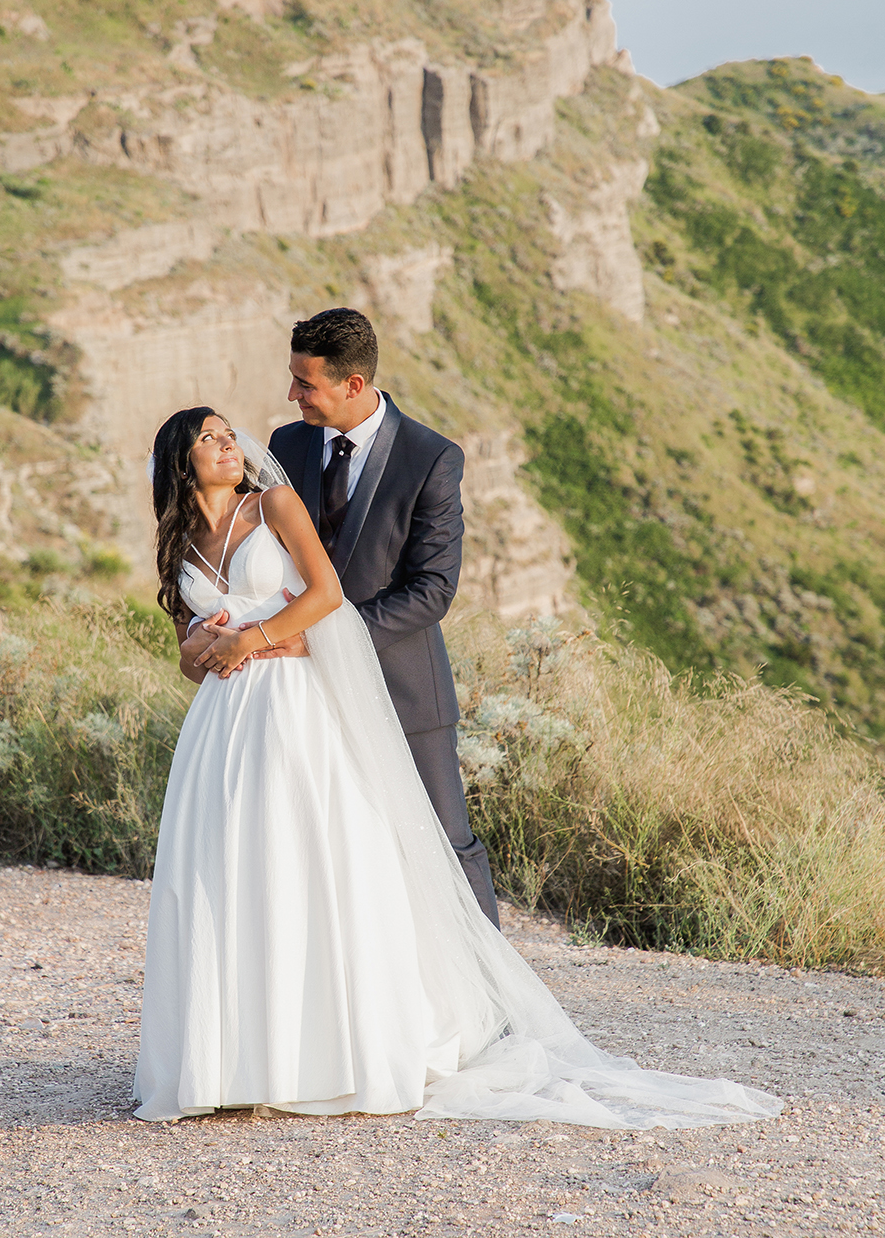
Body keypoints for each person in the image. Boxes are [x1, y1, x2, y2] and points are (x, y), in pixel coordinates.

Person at [132, 405, 782, 1128]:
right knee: (232, 876)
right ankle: (238, 1056)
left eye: (228, 433)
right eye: (210, 439)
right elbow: (190, 658)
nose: (230, 444)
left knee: (311, 863)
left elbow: (326, 595)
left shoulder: (273, 502)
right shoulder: (182, 541)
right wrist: (202, 650)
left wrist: (250, 638)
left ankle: (330, 1054)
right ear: (180, 462)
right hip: (222, 728)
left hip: (293, 707)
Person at [186, 308, 499, 928]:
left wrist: (319, 637)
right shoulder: (285, 444)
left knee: (443, 843)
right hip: (300, 700)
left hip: (401, 686)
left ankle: (495, 1007)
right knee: (341, 855)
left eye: (306, 383)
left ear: (352, 385)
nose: (291, 394)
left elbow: (433, 589)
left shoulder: (431, 458)